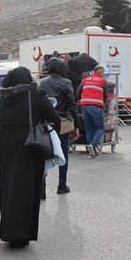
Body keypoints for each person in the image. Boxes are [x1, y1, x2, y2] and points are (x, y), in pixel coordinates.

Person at [0, 67, 60, 248]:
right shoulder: (34, 94)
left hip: (3, 143)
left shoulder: (1, 96)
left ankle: (7, 230)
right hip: (28, 143)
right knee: (27, 188)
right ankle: (21, 234)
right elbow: (54, 117)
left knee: (8, 186)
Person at [37, 56, 79, 196]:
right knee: (63, 153)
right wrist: (76, 126)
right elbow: (72, 106)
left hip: (44, 124)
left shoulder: (40, 82)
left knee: (43, 154)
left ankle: (42, 187)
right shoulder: (66, 82)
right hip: (62, 123)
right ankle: (62, 185)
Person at [76, 65, 108, 158]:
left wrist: (81, 99)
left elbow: (78, 92)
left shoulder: (85, 80)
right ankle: (93, 144)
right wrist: (104, 104)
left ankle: (91, 152)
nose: (103, 74)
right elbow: (105, 95)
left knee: (89, 128)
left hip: (84, 106)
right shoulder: (102, 81)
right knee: (100, 127)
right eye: (103, 72)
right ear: (99, 72)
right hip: (96, 106)